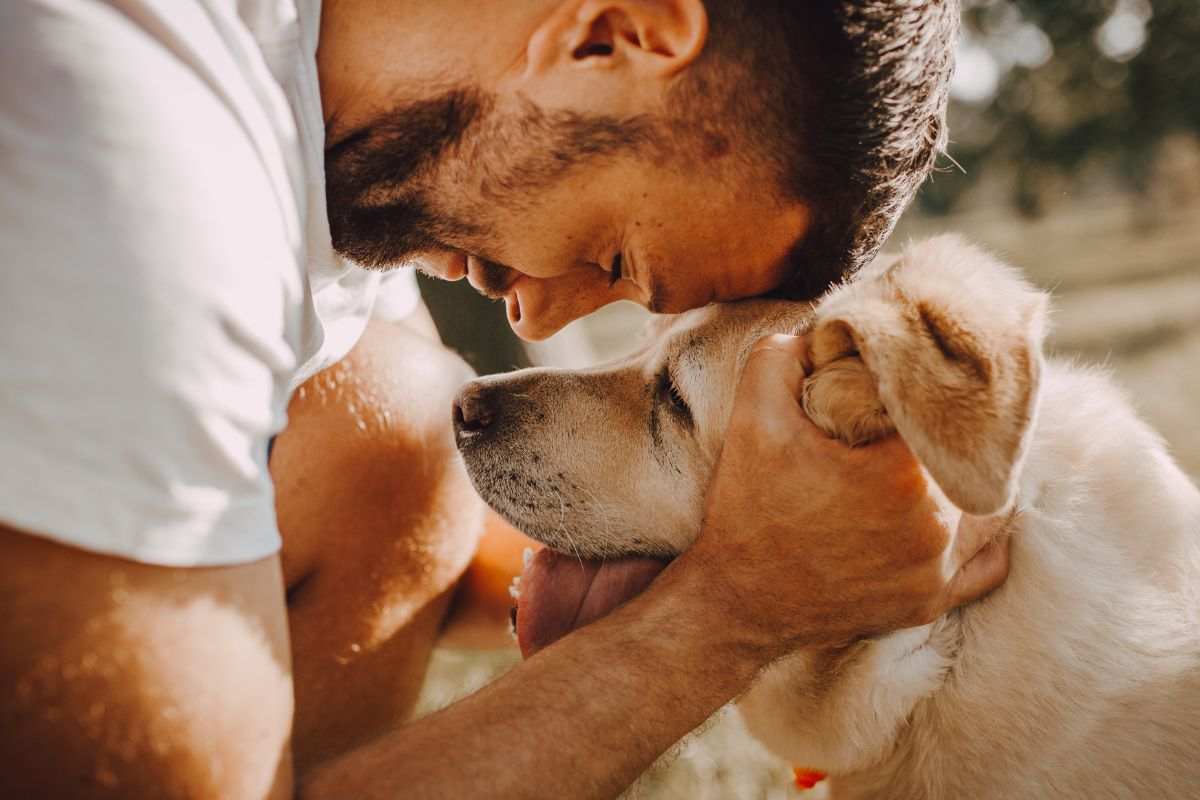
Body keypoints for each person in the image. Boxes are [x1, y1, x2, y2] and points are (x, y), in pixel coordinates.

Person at [0, 1, 1007, 798]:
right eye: (615, 253)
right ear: (614, 34)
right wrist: (733, 610)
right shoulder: (131, 155)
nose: (535, 310)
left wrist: (795, 542)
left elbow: (414, 527)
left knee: (394, 427)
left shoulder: (328, 127)